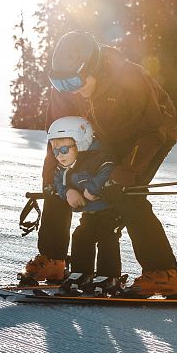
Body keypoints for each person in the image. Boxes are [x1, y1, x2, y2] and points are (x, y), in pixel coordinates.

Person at [22, 31, 177, 296]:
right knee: (60, 179)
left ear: (93, 68)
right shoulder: (65, 87)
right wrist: (52, 176)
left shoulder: (129, 80)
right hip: (97, 132)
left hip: (150, 132)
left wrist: (124, 173)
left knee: (124, 193)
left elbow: (153, 133)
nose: (69, 89)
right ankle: (53, 260)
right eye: (60, 83)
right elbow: (59, 137)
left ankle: (163, 272)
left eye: (74, 81)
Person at [46, 115, 122, 283]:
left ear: (80, 143)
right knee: (81, 236)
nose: (59, 155)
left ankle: (109, 276)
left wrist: (93, 189)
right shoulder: (66, 166)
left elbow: (108, 170)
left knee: (106, 237)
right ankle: (81, 273)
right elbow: (58, 181)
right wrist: (67, 192)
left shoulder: (100, 158)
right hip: (89, 213)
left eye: (64, 149)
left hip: (109, 211)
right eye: (55, 150)